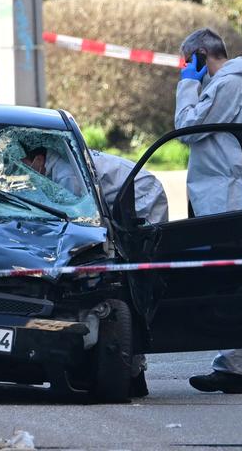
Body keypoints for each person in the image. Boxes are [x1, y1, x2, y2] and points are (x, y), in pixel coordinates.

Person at [175, 28, 242, 394]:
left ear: (202, 55)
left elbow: (187, 129)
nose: (187, 68)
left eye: (189, 61)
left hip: (227, 199)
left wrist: (188, 85)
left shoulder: (226, 86)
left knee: (228, 283)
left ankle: (232, 368)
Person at [91, 150, 169, 397]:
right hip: (129, 203)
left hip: (144, 200)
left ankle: (135, 373)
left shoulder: (64, 170)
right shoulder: (61, 160)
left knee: (136, 289)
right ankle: (134, 373)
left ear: (38, 158)